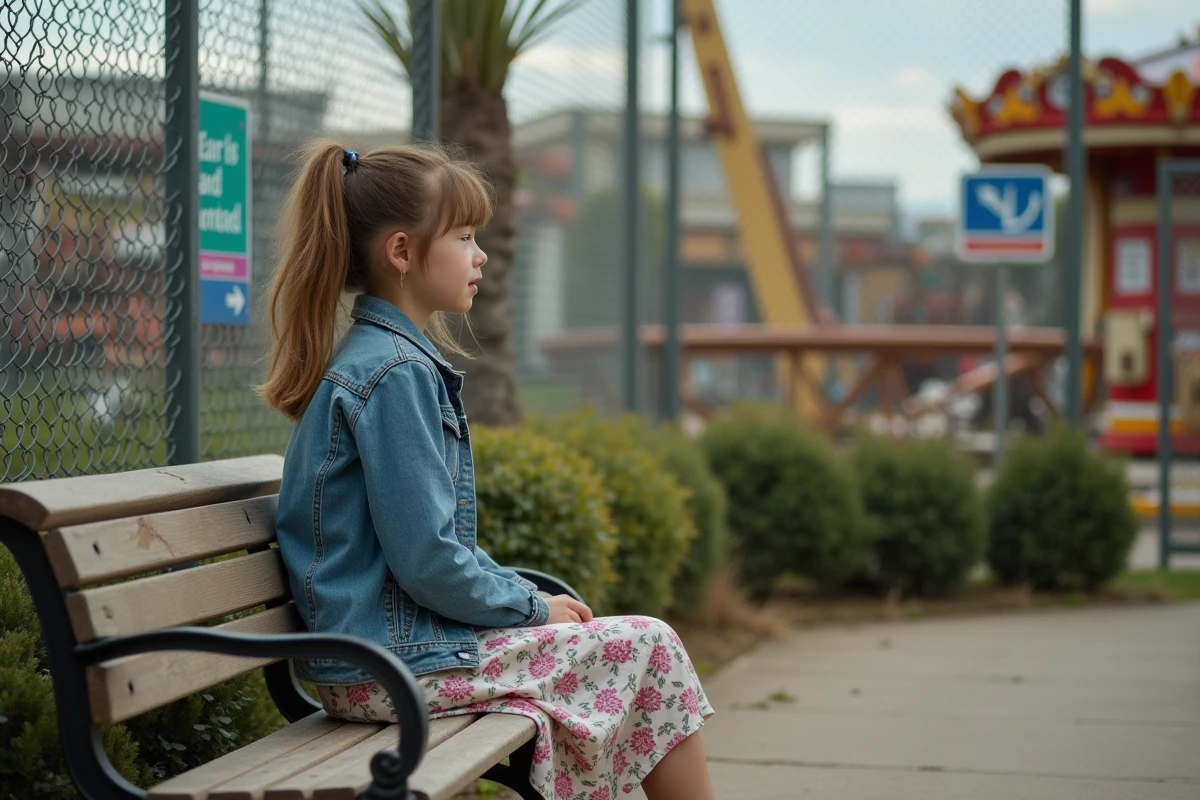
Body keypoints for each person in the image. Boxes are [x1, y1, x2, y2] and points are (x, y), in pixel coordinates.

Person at [257, 140, 716, 800]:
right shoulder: (395, 374)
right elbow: (430, 562)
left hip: (381, 659)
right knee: (649, 646)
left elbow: (434, 554)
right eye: (466, 237)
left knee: (630, 648)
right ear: (402, 253)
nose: (482, 256)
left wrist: (528, 603)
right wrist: (532, 607)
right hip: (385, 671)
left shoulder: (386, 361)